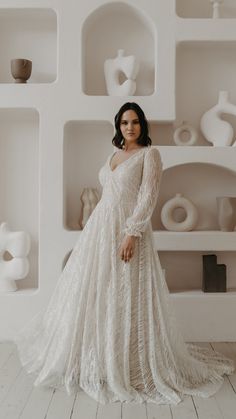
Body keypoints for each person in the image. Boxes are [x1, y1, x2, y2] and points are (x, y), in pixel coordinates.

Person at [14, 102, 234, 405]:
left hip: (128, 230)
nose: (129, 127)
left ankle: (130, 361)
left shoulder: (149, 155)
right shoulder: (113, 156)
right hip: (100, 229)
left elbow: (147, 198)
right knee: (98, 290)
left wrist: (132, 233)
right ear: (118, 127)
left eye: (134, 122)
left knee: (128, 291)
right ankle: (100, 355)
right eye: (124, 123)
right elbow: (108, 195)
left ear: (142, 125)